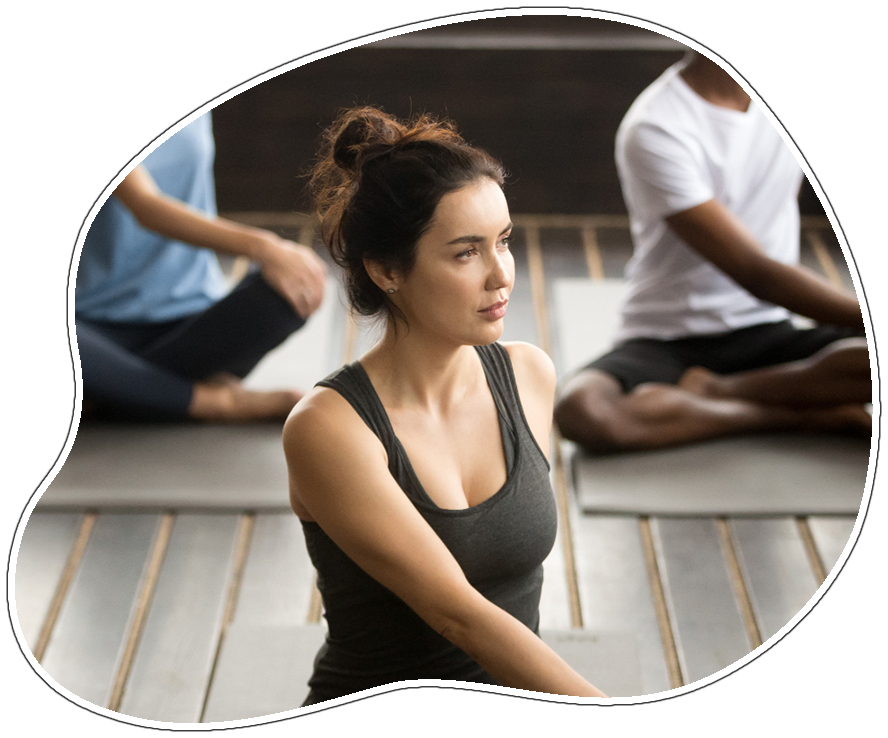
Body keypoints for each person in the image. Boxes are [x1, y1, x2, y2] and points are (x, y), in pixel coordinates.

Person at [283, 107, 607, 703]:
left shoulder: (528, 375)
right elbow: (456, 614)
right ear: (386, 271)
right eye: (466, 253)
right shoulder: (330, 428)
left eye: (503, 242)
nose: (500, 275)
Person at [554, 52, 871, 453]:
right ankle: (797, 413)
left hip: (771, 329)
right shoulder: (656, 126)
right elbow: (756, 272)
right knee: (583, 410)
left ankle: (721, 393)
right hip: (670, 336)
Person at [75, 112, 328, 422]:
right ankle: (216, 402)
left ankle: (118, 390)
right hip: (90, 327)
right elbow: (146, 207)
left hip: (190, 321)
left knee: (288, 292)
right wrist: (265, 247)